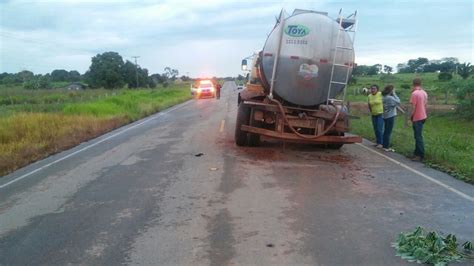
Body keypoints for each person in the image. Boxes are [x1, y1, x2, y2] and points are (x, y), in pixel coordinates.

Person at [409, 78, 428, 161]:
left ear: (413, 84)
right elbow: (425, 104)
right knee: (417, 135)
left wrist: (410, 117)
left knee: (418, 136)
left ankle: (420, 154)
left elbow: (413, 107)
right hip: (423, 116)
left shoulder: (414, 94)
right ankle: (416, 152)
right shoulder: (424, 92)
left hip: (417, 117)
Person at [382, 85, 400, 152]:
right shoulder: (390, 98)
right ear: (391, 90)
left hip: (385, 116)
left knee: (386, 131)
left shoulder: (384, 97)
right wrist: (394, 93)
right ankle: (386, 147)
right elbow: (398, 101)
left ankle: (384, 145)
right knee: (388, 132)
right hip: (390, 116)